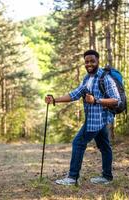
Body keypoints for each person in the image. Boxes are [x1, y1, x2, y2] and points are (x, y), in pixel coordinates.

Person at [45, 49, 121, 186]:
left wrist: (96, 100)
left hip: (97, 121)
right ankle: (107, 177)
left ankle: (72, 177)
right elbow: (74, 94)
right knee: (105, 146)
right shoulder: (87, 78)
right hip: (95, 120)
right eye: (86, 62)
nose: (89, 64)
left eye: (92, 61)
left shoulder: (106, 78)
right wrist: (55, 100)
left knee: (78, 143)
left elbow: (116, 100)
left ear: (98, 61)